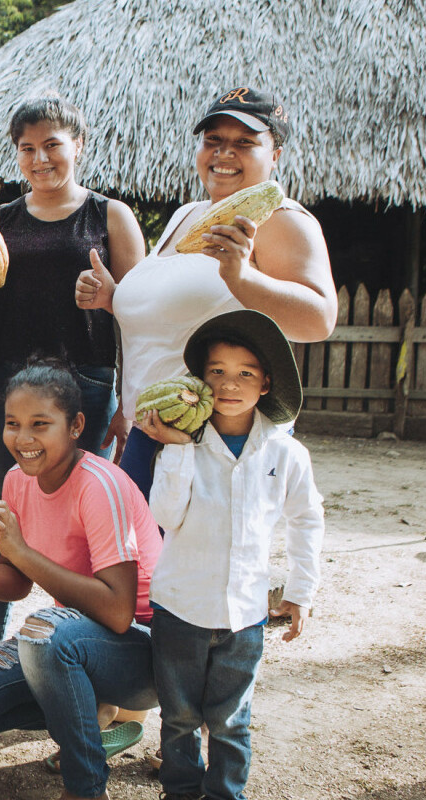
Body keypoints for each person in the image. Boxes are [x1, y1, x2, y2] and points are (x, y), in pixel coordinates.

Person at [76, 86, 336, 497]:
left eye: (244, 143)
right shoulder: (187, 214)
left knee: (185, 561)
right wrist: (114, 297)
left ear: (276, 156)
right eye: (212, 140)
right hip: (150, 431)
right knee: (139, 560)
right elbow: (170, 321)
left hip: (212, 438)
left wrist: (243, 278)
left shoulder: (282, 220)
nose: (224, 153)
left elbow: (319, 320)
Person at [0, 96, 147, 651]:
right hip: (7, 386)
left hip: (83, 385)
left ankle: (87, 640)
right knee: (5, 510)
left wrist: (126, 404)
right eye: (27, 149)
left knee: (82, 515)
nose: (40, 159)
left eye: (52, 146)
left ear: (78, 146)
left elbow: (138, 313)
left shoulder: (110, 216)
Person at [0, 363, 161, 800]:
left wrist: (21, 552)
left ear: (75, 426)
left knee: (43, 631)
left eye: (40, 424)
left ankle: (84, 784)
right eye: (13, 424)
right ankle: (91, 713)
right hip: (80, 640)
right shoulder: (17, 481)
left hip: (149, 649)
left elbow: (117, 610)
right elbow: (17, 582)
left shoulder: (99, 486)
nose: (23, 438)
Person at [135, 310, 324, 800]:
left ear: (265, 384)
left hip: (245, 614)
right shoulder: (182, 445)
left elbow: (306, 519)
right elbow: (167, 516)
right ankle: (179, 791)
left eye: (245, 373)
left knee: (231, 722)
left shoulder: (285, 453)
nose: (229, 384)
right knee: (178, 719)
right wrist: (175, 447)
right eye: (216, 371)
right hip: (180, 609)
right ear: (200, 382)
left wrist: (301, 592)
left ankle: (226, 794)